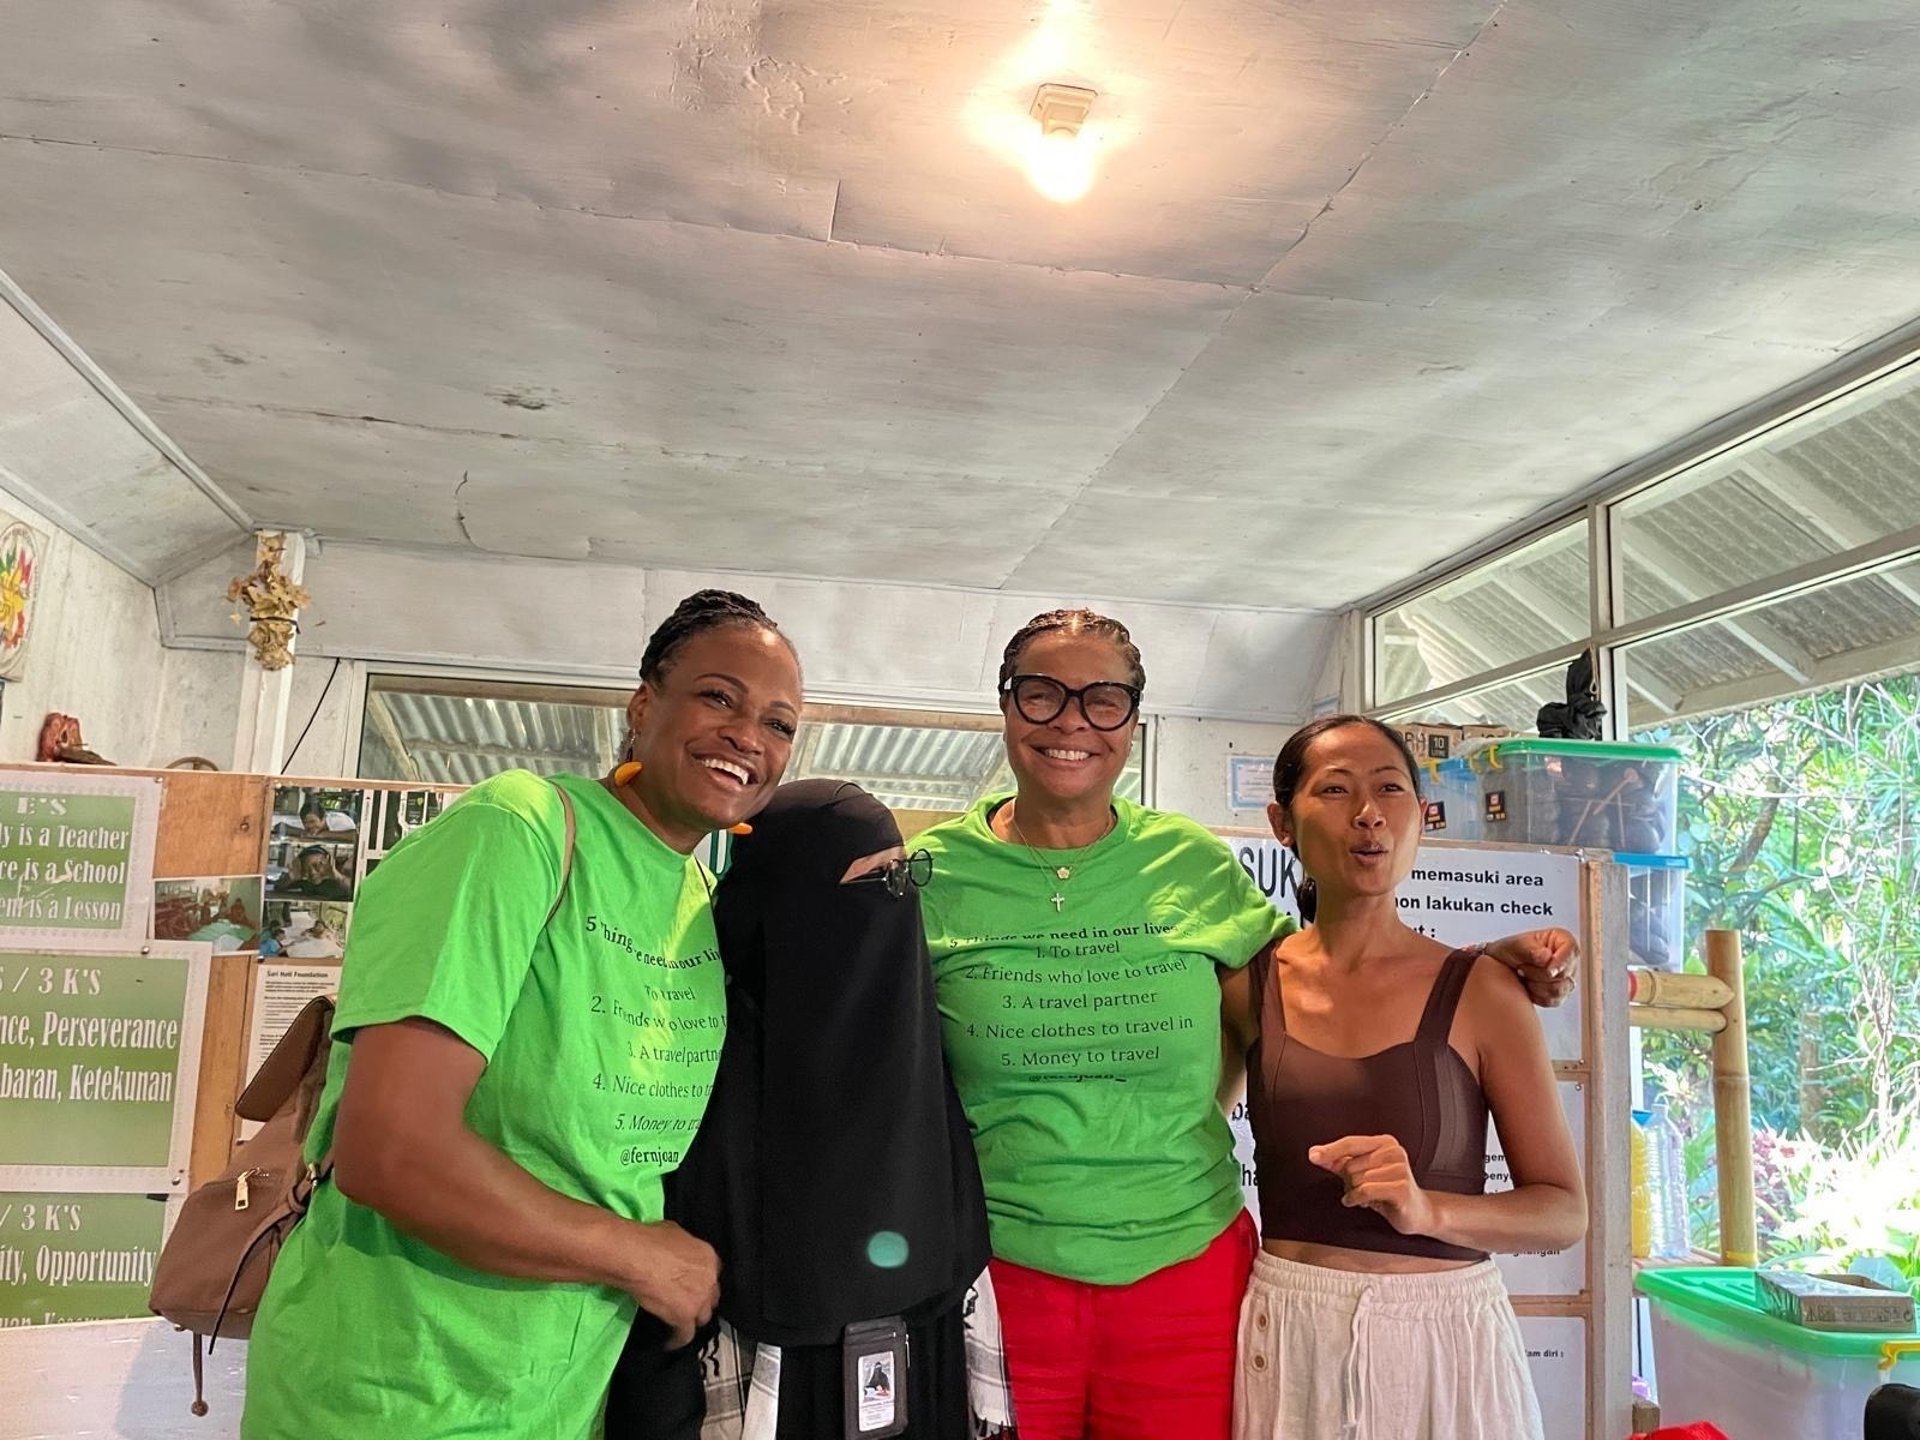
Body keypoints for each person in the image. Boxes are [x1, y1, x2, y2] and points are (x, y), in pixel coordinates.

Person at [917, 608, 1577, 1440]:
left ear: (1134, 717)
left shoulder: (1188, 864)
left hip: (1185, 1268)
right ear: (1007, 706)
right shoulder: (933, 877)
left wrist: (1475, 970)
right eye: (1043, 695)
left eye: (1105, 699)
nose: (1074, 721)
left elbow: (1319, 975)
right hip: (1000, 1264)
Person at [243, 590, 803, 1440]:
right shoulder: (520, 829)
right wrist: (643, 1255)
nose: (746, 737)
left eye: (779, 723)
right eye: (718, 697)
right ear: (645, 703)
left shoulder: (696, 897)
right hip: (395, 1392)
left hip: (552, 1397)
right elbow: (391, 1151)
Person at [1225, 715, 1586, 1439]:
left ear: (1418, 817)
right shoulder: (1246, 985)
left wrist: (1431, 1211)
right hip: (1290, 1331)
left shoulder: (1484, 990)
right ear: (1281, 824)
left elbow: (1562, 1211)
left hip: (1445, 1342)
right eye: (1335, 789)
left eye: (1389, 789)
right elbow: (1183, 1129)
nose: (1368, 814)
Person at [608, 780, 992, 1439]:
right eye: (876, 883)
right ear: (791, 906)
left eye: (905, 877)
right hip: (752, 1374)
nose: (898, 903)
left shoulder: (921, 1068)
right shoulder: (686, 1070)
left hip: (922, 1352)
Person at [277, 844, 352, 900]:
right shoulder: (305, 881)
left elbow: (355, 890)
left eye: (316, 865)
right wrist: (291, 877)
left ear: (328, 861)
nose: (312, 872)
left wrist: (336, 876)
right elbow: (279, 887)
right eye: (306, 868)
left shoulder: (344, 872)